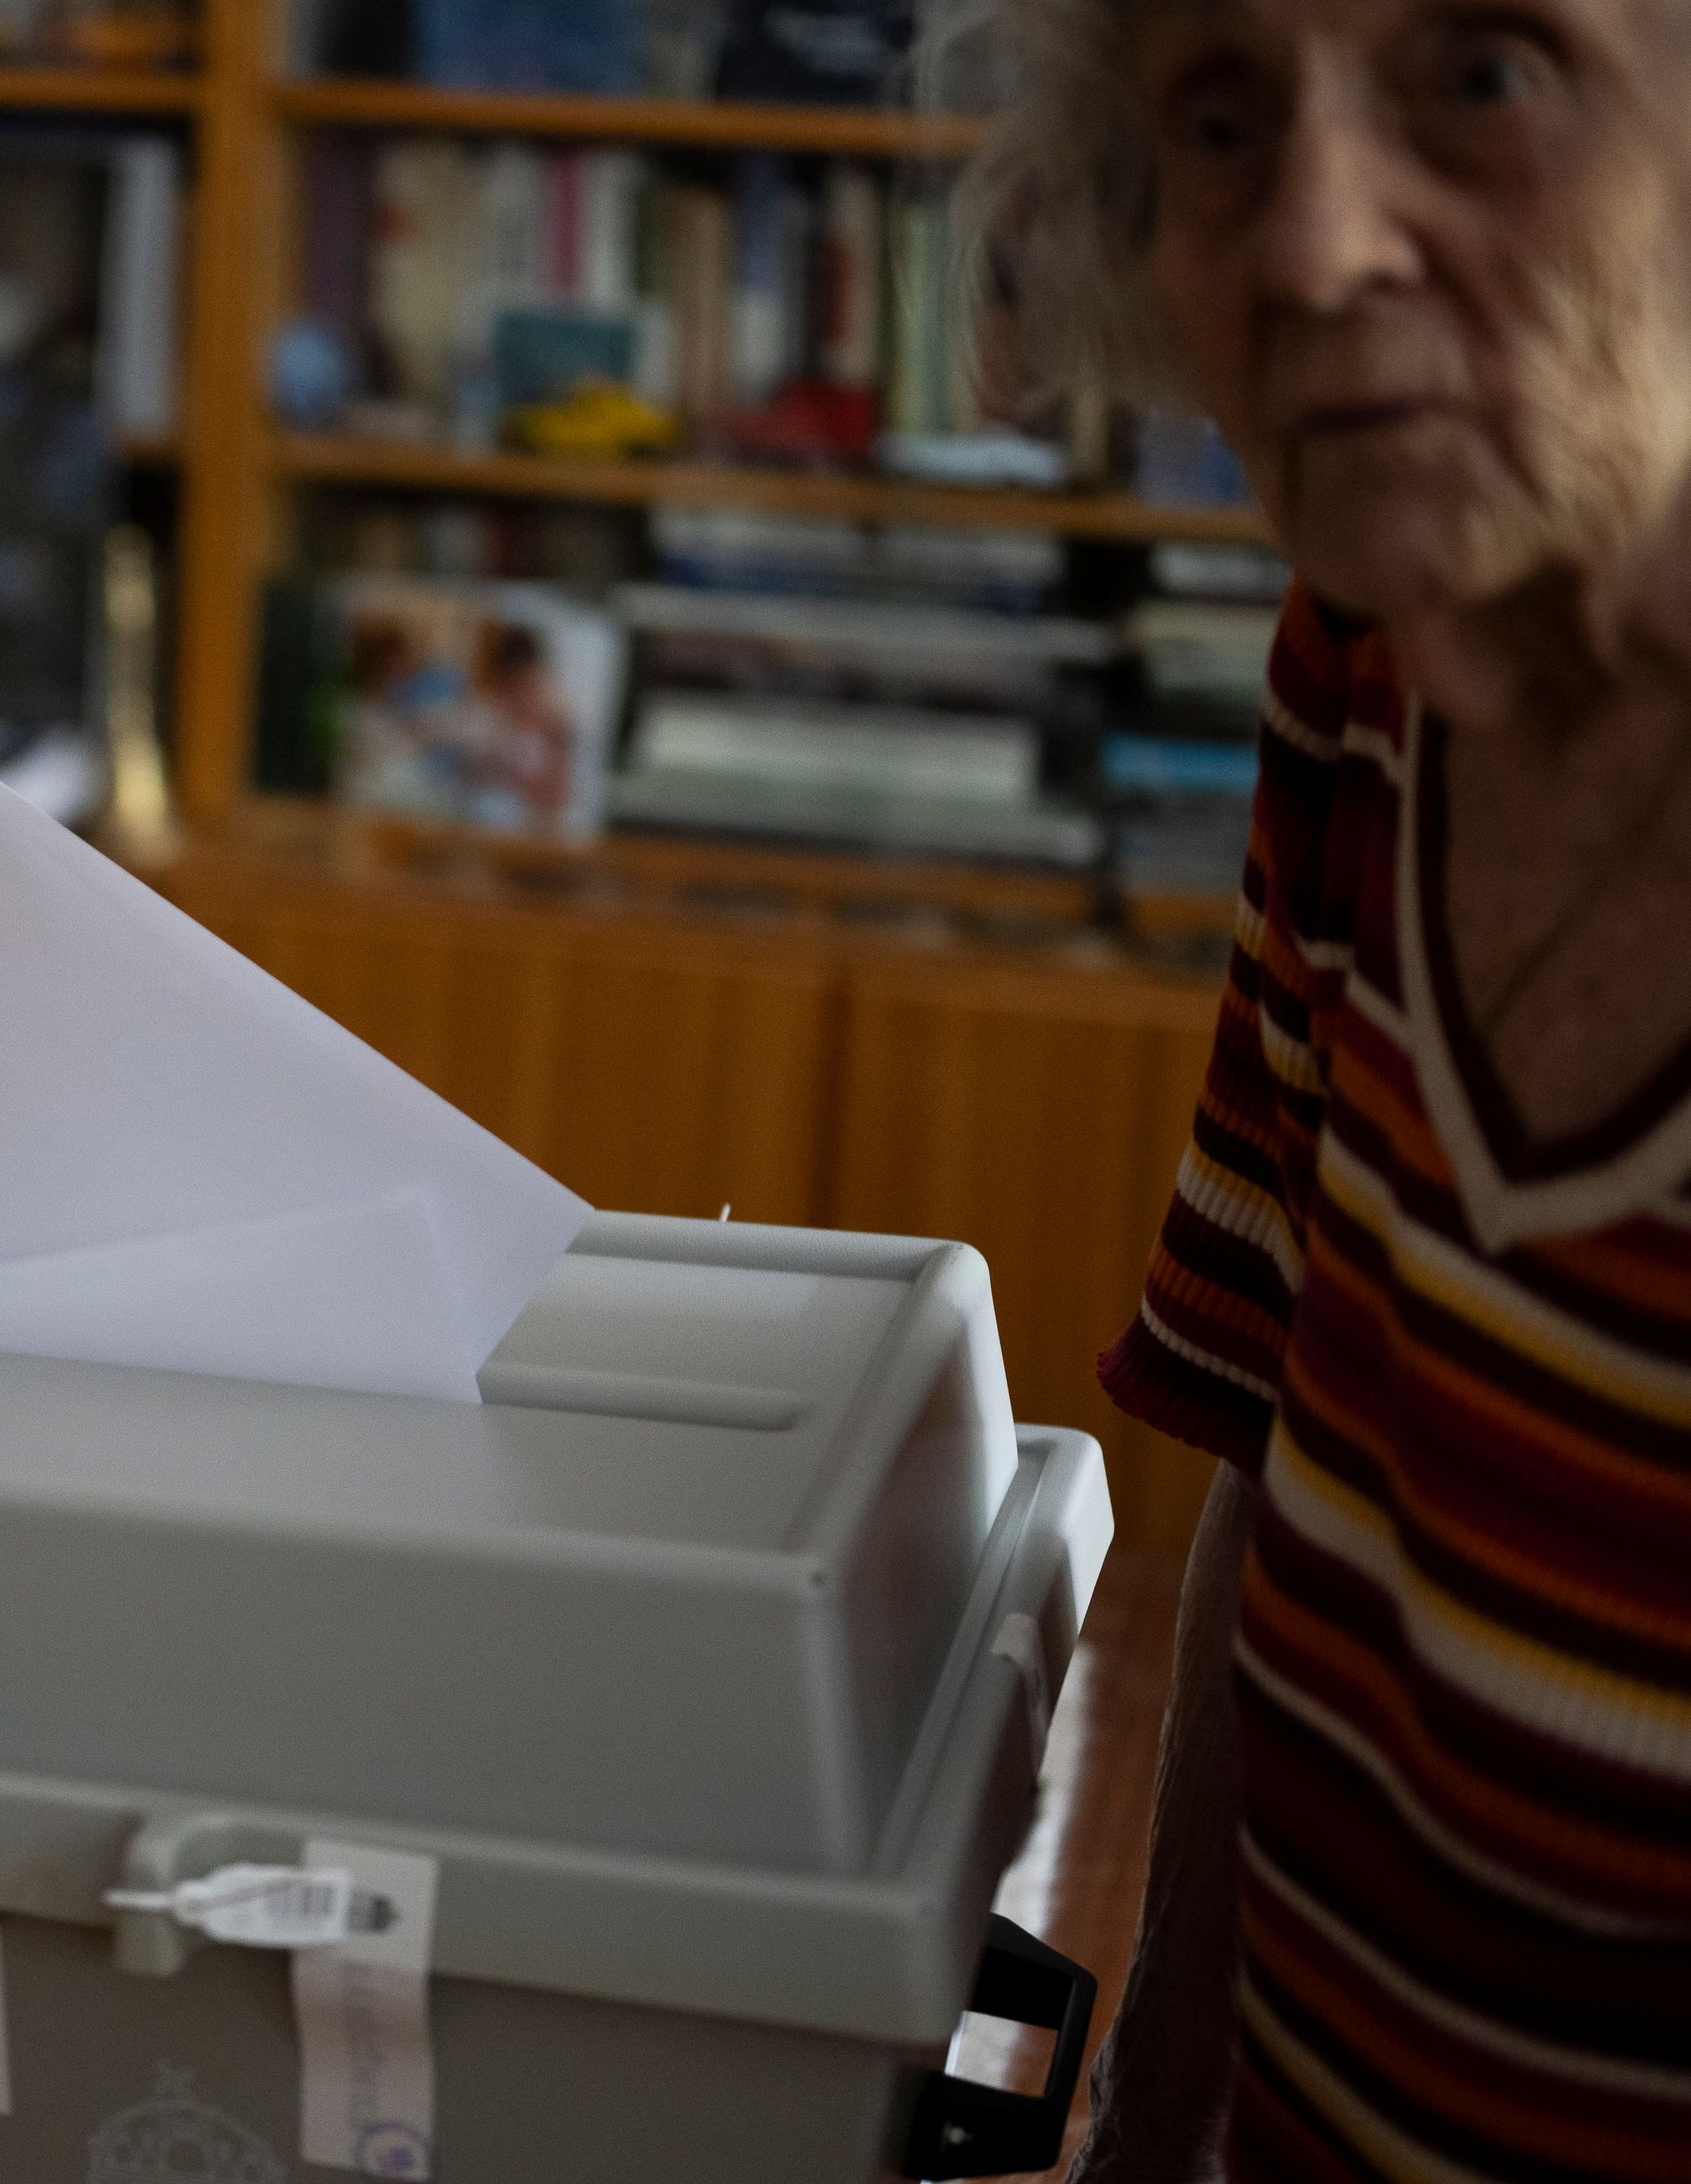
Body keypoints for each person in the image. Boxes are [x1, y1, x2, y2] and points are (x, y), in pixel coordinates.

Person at [951, 0, 1691, 2174]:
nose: (1312, 243)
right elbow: (1276, 1449)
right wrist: (1149, 2122)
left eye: (1491, 73)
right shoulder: (1368, 650)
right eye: (1220, 118)